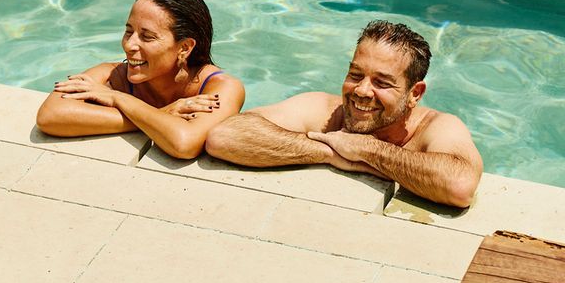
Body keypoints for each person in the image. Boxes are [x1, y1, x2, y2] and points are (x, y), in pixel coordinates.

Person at [204, 20, 481, 207]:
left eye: (382, 83)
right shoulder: (322, 109)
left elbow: (459, 186)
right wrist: (330, 152)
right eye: (355, 74)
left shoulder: (437, 127)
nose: (361, 91)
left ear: (415, 94)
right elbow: (224, 136)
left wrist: (369, 149)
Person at [36, 0, 246, 158]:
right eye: (129, 32)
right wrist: (162, 114)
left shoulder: (221, 88)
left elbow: (184, 144)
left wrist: (120, 99)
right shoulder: (111, 74)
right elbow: (50, 116)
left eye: (147, 37)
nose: (129, 45)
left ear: (184, 48)